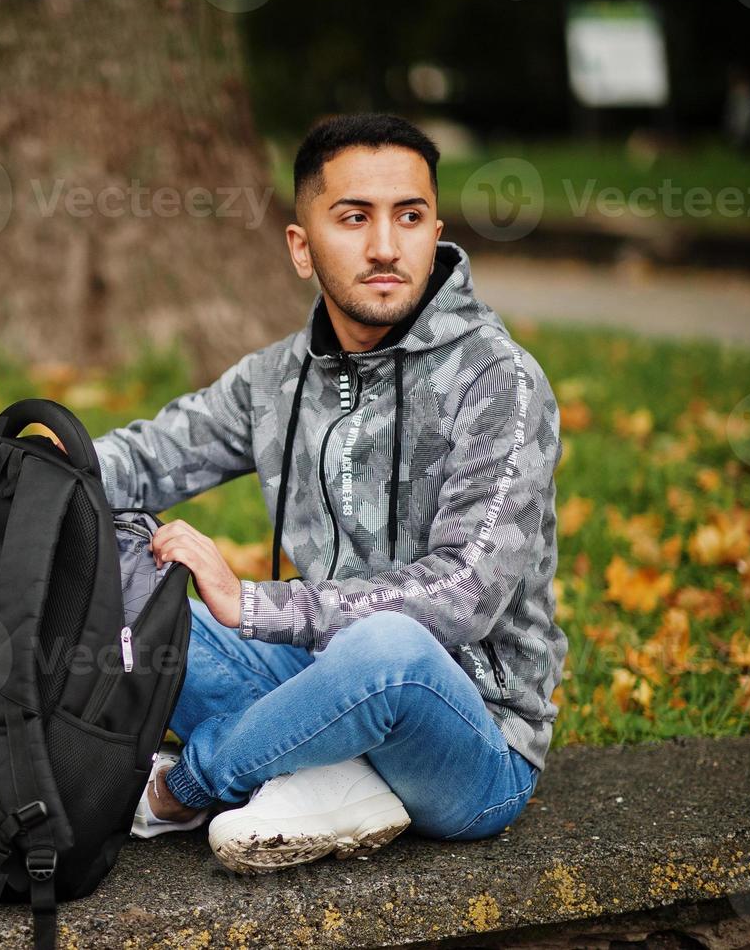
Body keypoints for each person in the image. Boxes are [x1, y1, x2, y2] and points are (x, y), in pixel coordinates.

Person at [90, 113, 565, 874]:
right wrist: (30, 462)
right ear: (300, 246)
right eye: (353, 218)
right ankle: (316, 768)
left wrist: (251, 606)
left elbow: (462, 595)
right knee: (99, 565)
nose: (385, 246)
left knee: (386, 649)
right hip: (315, 677)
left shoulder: (496, 381)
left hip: (467, 737)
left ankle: (182, 789)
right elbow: (147, 457)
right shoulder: (275, 380)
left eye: (408, 217)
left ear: (434, 229)